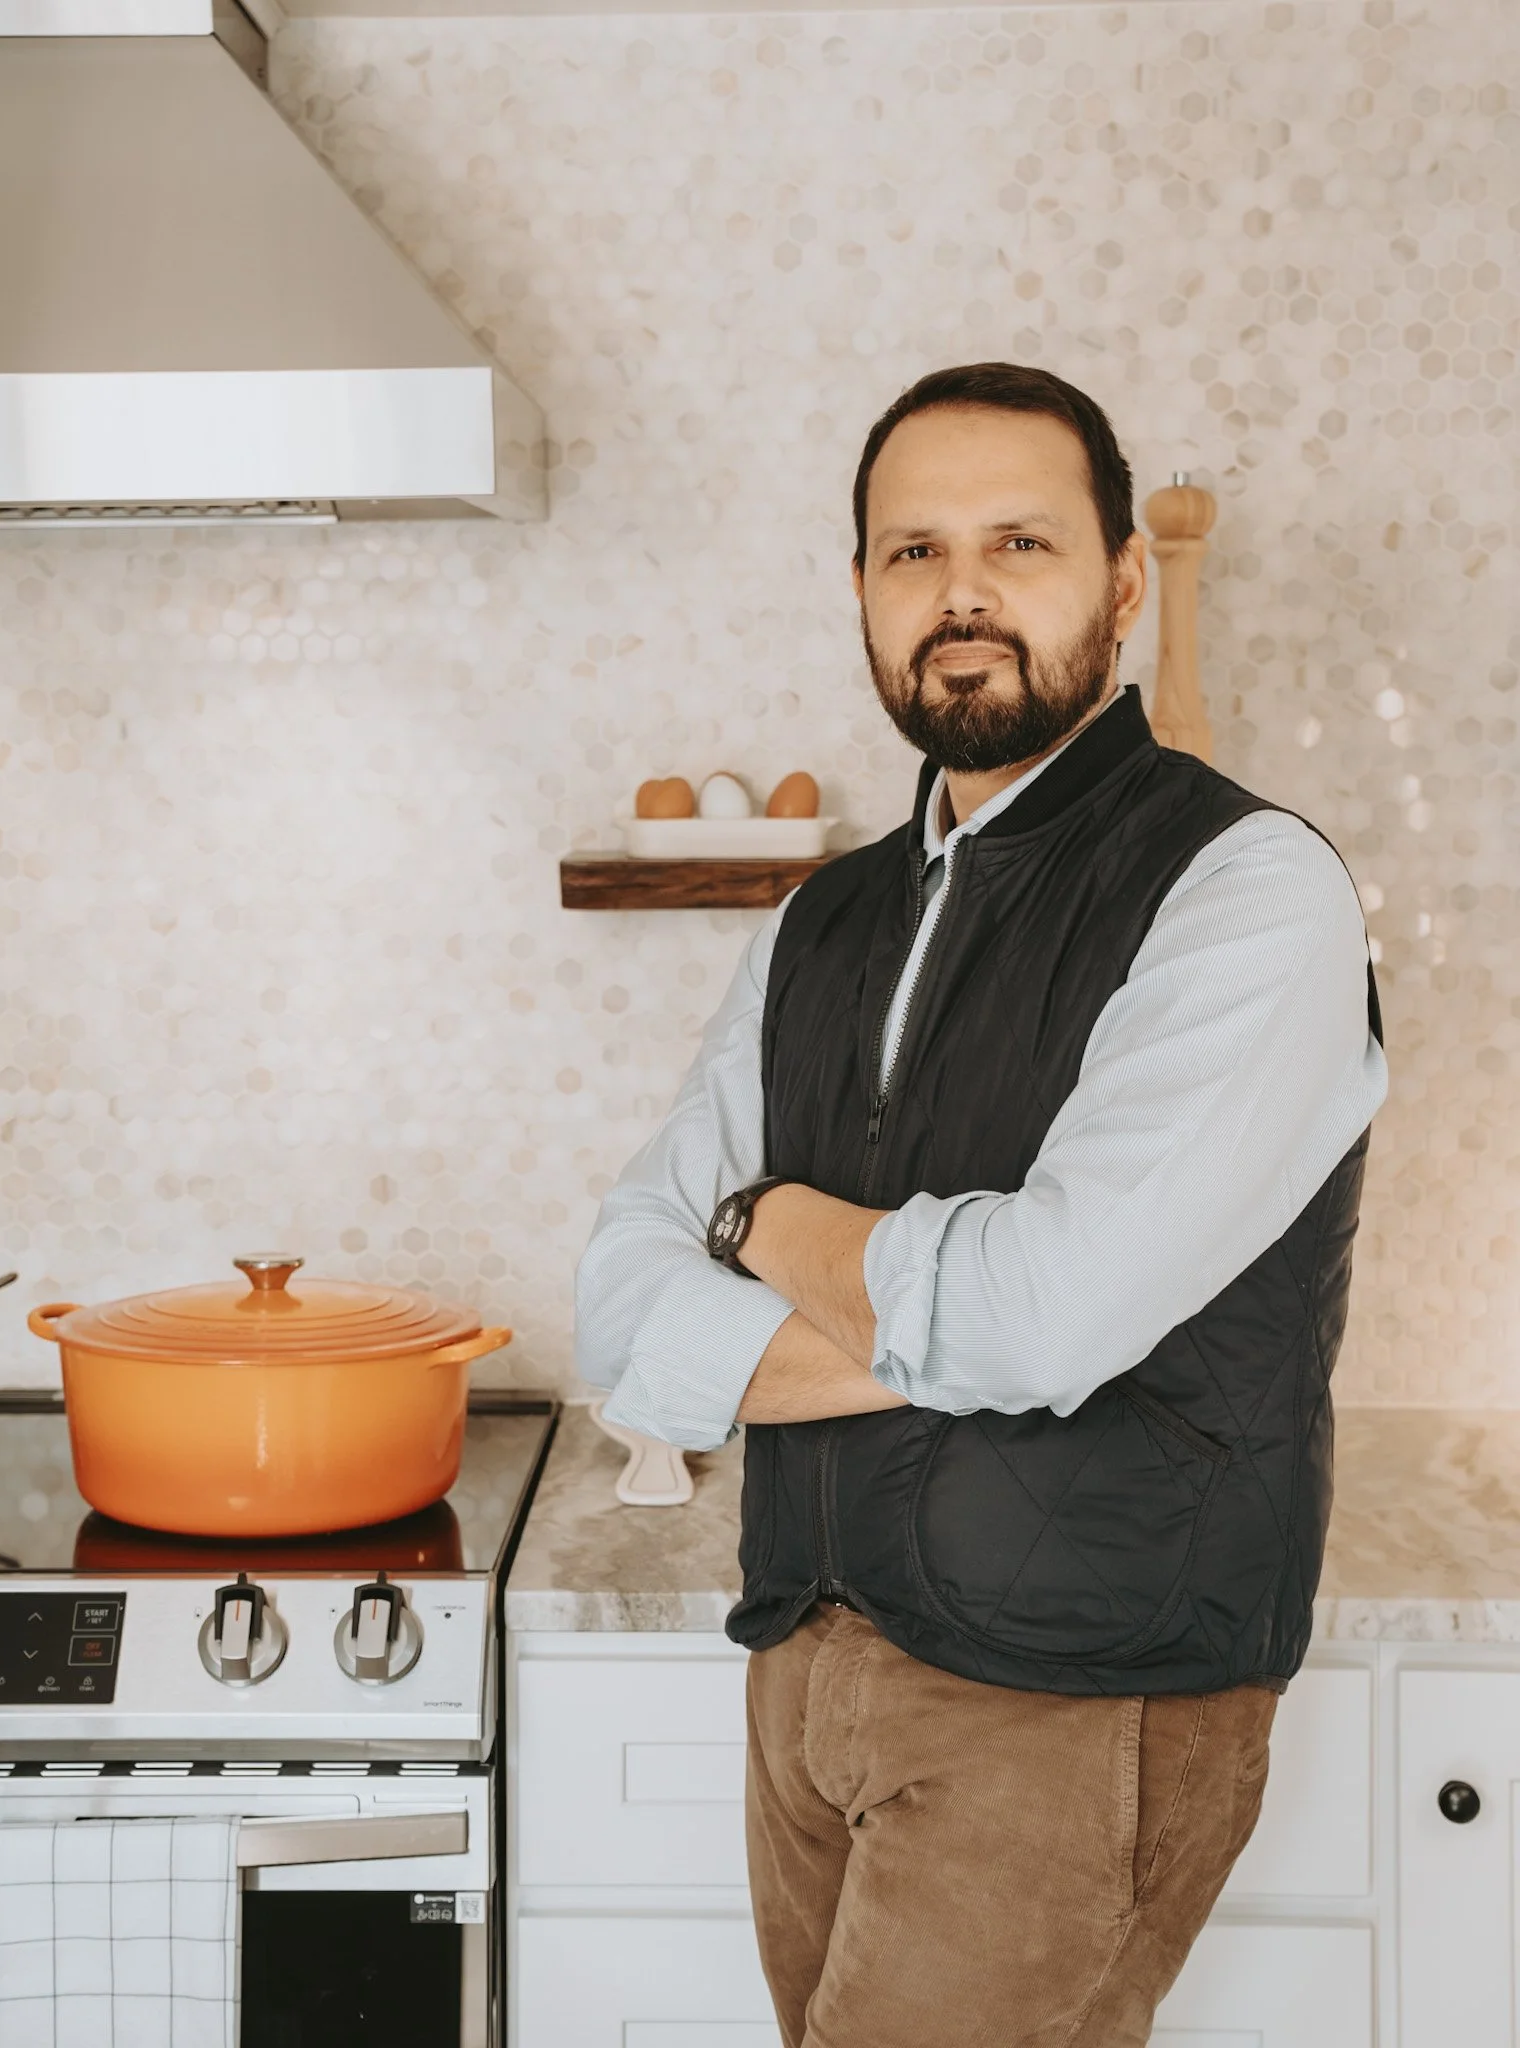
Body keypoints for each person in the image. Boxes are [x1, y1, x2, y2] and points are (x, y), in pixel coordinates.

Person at [575, 362, 1387, 2048]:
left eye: (1019, 542)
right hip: (806, 1673)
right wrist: (982, 1315)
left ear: (1124, 583)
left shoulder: (1249, 890)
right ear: (862, 593)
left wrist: (765, 1224)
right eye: (910, 552)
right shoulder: (825, 921)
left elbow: (1047, 1317)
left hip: (1074, 1706)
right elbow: (622, 1326)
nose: (961, 594)